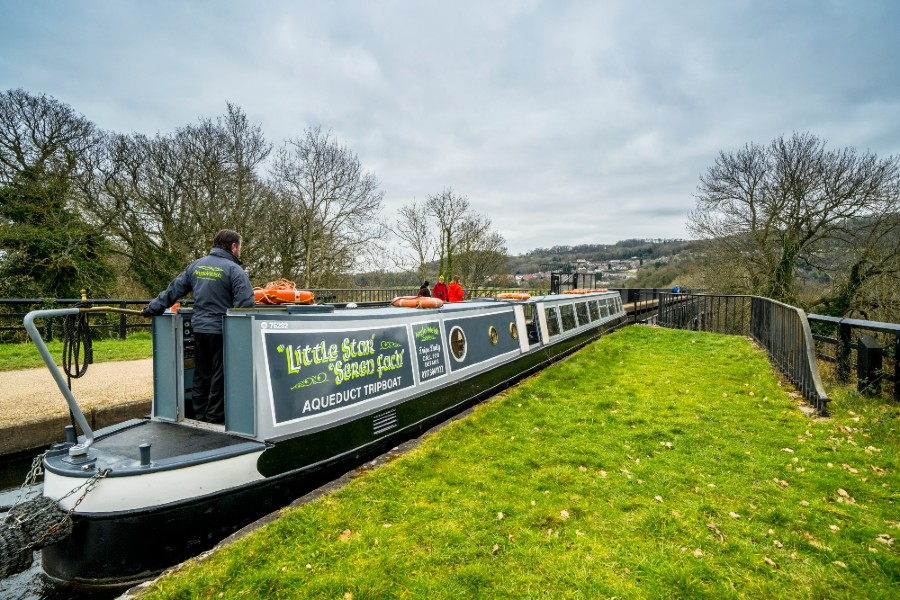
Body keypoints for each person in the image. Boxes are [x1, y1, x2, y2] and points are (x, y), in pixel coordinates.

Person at [141, 229, 255, 424]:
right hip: (222, 331)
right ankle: (215, 418)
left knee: (202, 374)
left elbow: (173, 290)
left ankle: (200, 415)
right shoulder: (234, 270)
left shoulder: (196, 266)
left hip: (200, 329)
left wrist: (153, 308)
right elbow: (245, 303)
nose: (240, 252)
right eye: (240, 248)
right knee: (220, 376)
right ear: (233, 247)